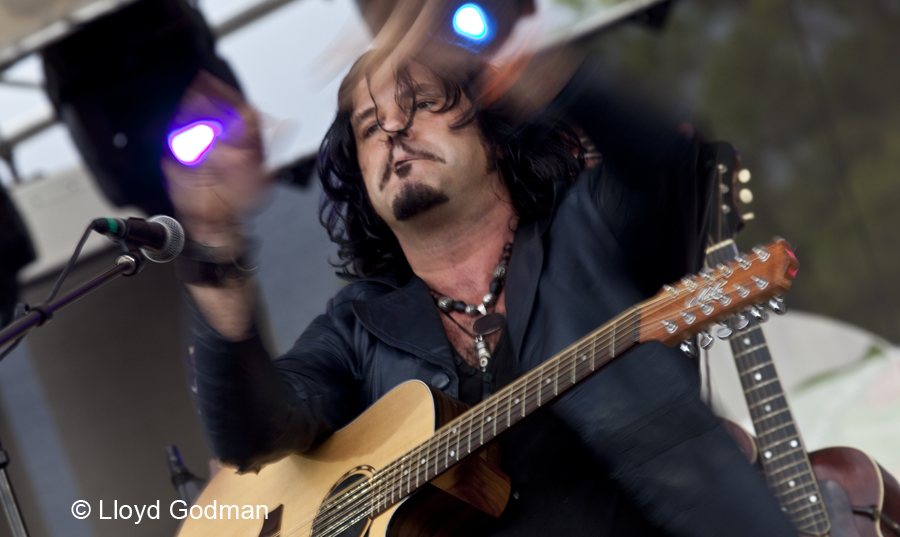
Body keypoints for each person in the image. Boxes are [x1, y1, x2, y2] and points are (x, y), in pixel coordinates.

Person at [163, 44, 796, 536]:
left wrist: (540, 71)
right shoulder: (356, 327)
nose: (393, 131)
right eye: (367, 127)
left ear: (492, 130)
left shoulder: (590, 229)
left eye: (421, 103)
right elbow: (252, 431)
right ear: (358, 177)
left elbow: (668, 163)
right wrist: (216, 249)